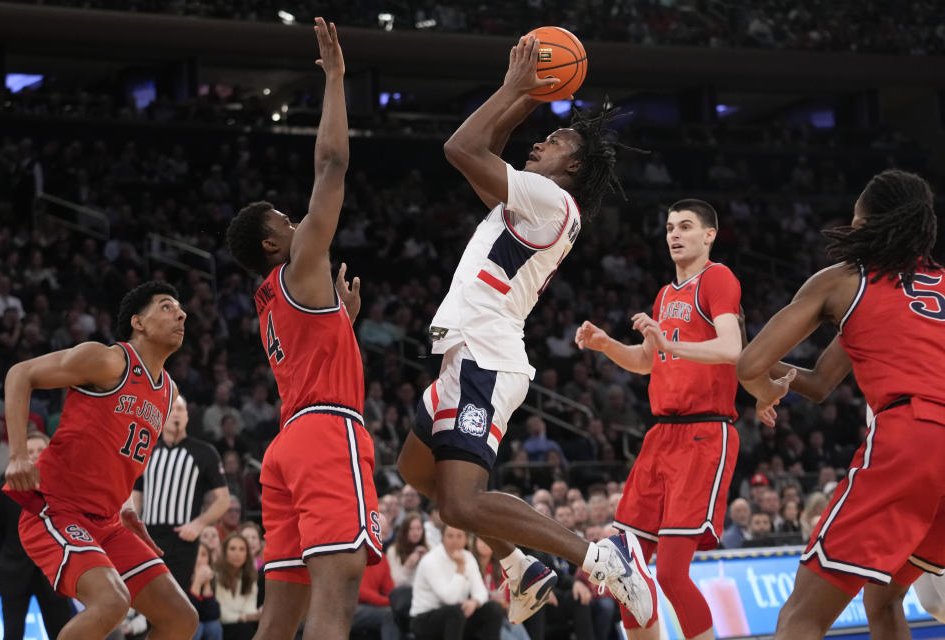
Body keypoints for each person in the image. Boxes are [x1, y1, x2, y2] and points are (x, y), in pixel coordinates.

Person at [396, 33, 652, 626]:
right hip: (469, 353)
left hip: (486, 356)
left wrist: (515, 88)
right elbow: (484, 146)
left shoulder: (551, 203)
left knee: (460, 500)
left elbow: (460, 146)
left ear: (575, 166)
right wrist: (530, 99)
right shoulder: (535, 202)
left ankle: (599, 557)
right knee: (416, 473)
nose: (540, 143)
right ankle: (520, 567)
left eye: (556, 140)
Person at [736, 169, 945, 639]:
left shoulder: (844, 280)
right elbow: (821, 382)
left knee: (799, 618)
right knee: (884, 597)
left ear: (869, 222)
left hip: (912, 436)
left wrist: (763, 389)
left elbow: (750, 365)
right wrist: (781, 381)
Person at [224, 18, 380, 640]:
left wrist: (345, 321)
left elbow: (316, 348)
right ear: (272, 242)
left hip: (287, 446)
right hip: (325, 436)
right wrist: (337, 78)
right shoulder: (301, 265)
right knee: (336, 598)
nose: (299, 222)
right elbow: (334, 164)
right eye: (287, 220)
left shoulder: (270, 299)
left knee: (279, 617)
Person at [576, 198, 743, 640]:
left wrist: (670, 345)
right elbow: (649, 361)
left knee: (670, 573)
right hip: (662, 436)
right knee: (621, 568)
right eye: (669, 227)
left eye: (685, 226)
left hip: (705, 432)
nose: (674, 234)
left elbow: (730, 348)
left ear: (709, 235)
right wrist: (607, 344)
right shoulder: (666, 294)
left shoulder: (718, 278)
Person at [2, 280, 198, 640]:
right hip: (56, 509)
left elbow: (116, 454)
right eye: (167, 306)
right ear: (138, 322)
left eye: (180, 308)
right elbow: (20, 374)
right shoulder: (109, 360)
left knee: (181, 618)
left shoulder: (168, 393)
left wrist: (125, 509)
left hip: (107, 522)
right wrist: (17, 455)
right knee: (111, 603)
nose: (181, 313)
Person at [133, 393, 229, 592]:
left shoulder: (204, 452)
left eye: (180, 409)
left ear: (187, 416)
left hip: (182, 539)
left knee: (175, 601)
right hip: (148, 538)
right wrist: (134, 529)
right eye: (171, 409)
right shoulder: (147, 450)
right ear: (161, 415)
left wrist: (199, 524)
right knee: (148, 600)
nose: (176, 414)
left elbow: (223, 500)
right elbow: (137, 496)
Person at [0, 430, 73, 640]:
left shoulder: (65, 488)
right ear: (22, 455)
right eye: (30, 451)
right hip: (14, 573)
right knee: (12, 634)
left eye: (40, 450)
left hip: (54, 575)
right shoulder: (5, 488)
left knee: (63, 633)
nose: (36, 455)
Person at [409, 525, 504, 640]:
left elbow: (481, 592)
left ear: (465, 539)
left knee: (494, 609)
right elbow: (449, 599)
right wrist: (460, 568)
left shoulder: (468, 557)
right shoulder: (430, 560)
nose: (455, 541)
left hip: (457, 616)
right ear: (443, 538)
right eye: (450, 536)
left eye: (459, 536)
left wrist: (474, 602)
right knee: (455, 612)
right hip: (424, 620)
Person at [215, 533, 260, 640]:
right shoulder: (214, 575)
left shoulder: (250, 576)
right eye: (232, 548)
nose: (237, 554)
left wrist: (251, 616)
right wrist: (243, 617)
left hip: (242, 626)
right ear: (224, 552)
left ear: (247, 554)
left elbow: (250, 608)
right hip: (222, 626)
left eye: (242, 549)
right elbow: (220, 613)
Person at [189, 542, 223, 640]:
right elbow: (187, 615)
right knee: (196, 627)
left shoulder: (212, 577)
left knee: (214, 627)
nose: (199, 559)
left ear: (209, 559)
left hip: (203, 623)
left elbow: (213, 614)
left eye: (203, 555)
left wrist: (206, 584)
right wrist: (197, 583)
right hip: (181, 623)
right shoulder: (181, 576)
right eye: (195, 554)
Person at [387, 513, 429, 587]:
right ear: (405, 531)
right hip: (403, 595)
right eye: (411, 529)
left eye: (419, 529)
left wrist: (427, 560)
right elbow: (394, 583)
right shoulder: (393, 551)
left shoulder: (428, 549)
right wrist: (407, 566)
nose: (415, 533)